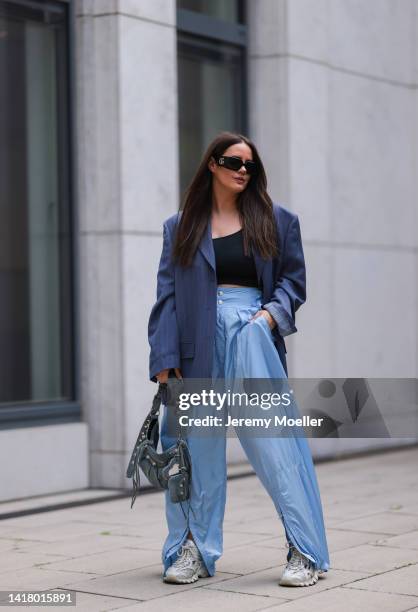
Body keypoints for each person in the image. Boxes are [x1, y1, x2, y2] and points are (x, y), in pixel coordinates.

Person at [147, 131, 330, 587]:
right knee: (193, 452)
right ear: (212, 164)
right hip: (196, 351)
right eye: (233, 162)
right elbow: (166, 299)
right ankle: (192, 548)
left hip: (252, 340)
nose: (242, 171)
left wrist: (268, 317)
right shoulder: (181, 226)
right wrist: (165, 360)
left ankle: (303, 551)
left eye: (250, 164)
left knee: (277, 449)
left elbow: (293, 283)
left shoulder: (278, 220)